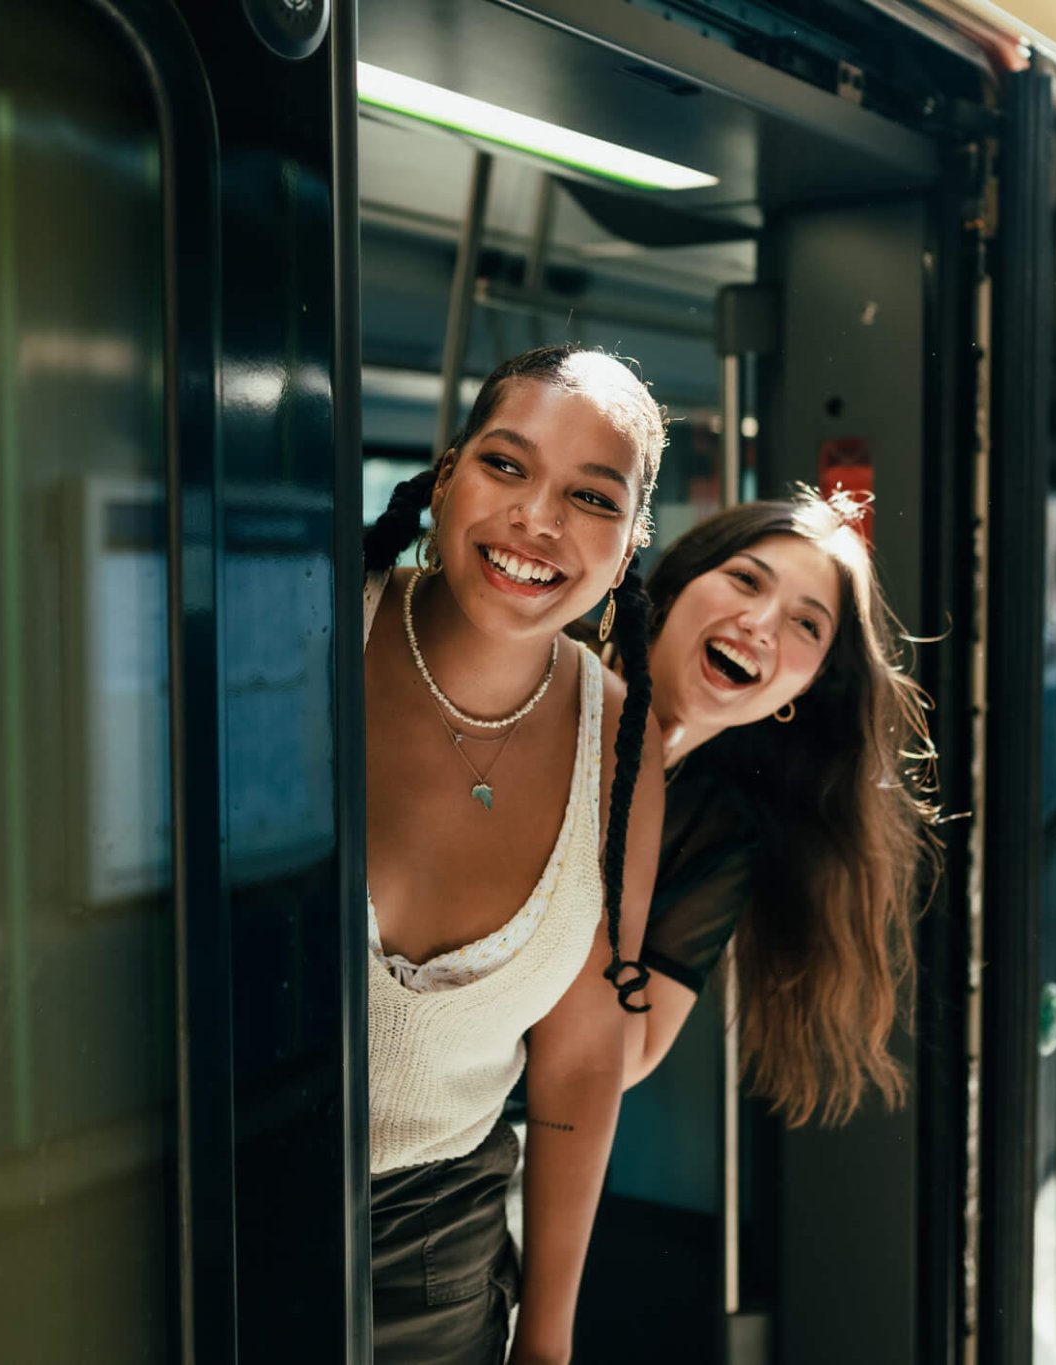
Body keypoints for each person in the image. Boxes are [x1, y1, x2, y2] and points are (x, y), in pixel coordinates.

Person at [358, 344, 666, 1364]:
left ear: (625, 550)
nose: (537, 518)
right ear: (445, 479)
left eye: (590, 496)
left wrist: (544, 1339)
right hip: (194, 1209)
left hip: (433, 1252)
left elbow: (580, 1061)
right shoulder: (311, 623)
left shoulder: (623, 751)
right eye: (505, 465)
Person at [613, 490, 937, 1123]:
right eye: (744, 580)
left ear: (806, 688)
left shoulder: (720, 832)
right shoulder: (546, 678)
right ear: (680, 583)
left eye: (806, 624)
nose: (759, 625)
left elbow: (628, 1058)